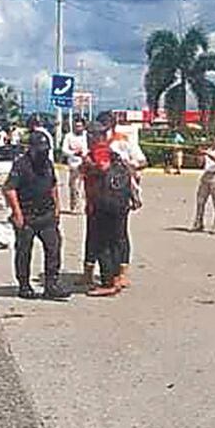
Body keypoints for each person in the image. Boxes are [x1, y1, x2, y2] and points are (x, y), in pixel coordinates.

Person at [4, 131, 64, 300]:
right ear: (31, 149)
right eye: (40, 150)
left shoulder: (48, 164)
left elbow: (53, 185)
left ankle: (51, 284)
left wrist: (57, 207)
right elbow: (9, 189)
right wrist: (17, 213)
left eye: (45, 150)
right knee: (24, 251)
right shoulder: (21, 165)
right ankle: (24, 285)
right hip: (27, 215)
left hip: (46, 214)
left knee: (54, 248)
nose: (43, 153)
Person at [83, 131, 132, 297]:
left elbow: (103, 166)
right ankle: (117, 277)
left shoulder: (99, 151)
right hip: (118, 205)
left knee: (103, 244)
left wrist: (89, 164)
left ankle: (108, 283)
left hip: (104, 206)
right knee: (115, 241)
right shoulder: (114, 154)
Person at [106, 117, 147, 287]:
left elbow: (143, 162)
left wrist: (127, 166)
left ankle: (121, 273)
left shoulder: (123, 141)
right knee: (101, 236)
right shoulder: (95, 142)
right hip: (100, 194)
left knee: (120, 234)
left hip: (121, 191)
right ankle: (106, 273)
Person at [192, 132, 215, 232]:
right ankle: (199, 222)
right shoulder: (209, 149)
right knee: (200, 200)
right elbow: (201, 163)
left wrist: (207, 153)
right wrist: (199, 155)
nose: (213, 141)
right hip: (206, 175)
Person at [62, 117, 88, 214]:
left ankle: (83, 206)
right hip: (73, 164)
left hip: (85, 164)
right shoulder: (69, 136)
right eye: (76, 126)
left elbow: (88, 148)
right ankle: (74, 206)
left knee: (83, 187)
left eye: (80, 126)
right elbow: (64, 150)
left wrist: (84, 154)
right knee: (74, 187)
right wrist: (73, 153)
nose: (78, 128)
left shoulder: (86, 136)